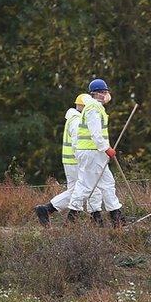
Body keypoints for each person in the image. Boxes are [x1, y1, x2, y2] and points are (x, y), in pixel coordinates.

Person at [34, 93, 100, 225]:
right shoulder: (76, 120)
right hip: (77, 161)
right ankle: (94, 218)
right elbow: (77, 141)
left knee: (76, 190)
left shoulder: (73, 118)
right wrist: (84, 158)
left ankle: (47, 209)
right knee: (90, 187)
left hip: (71, 161)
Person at [67, 79, 123, 227]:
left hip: (95, 152)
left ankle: (117, 218)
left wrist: (105, 149)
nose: (107, 95)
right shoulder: (93, 108)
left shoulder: (96, 107)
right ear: (98, 93)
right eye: (105, 92)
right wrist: (106, 148)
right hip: (92, 152)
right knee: (86, 186)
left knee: (107, 183)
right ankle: (71, 218)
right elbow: (96, 133)